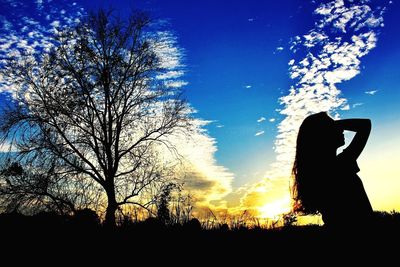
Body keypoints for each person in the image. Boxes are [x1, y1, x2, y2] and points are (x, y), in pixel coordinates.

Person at [291, 112, 373, 230]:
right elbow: (365, 125)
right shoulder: (340, 165)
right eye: (333, 126)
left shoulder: (317, 172)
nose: (341, 130)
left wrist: (331, 125)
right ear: (324, 135)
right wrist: (335, 124)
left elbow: (365, 125)